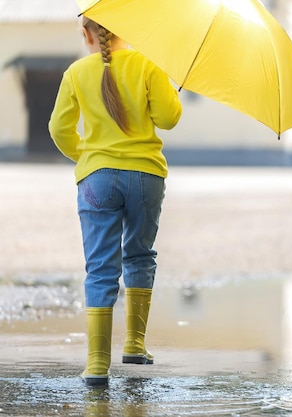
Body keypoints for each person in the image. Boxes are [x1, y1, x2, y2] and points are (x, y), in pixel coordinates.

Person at [49, 16, 182, 386]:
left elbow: (58, 129)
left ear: (87, 34)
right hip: (146, 177)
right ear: (126, 29)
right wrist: (168, 91)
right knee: (139, 254)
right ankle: (136, 345)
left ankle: (95, 364)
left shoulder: (76, 72)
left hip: (97, 179)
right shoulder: (148, 64)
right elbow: (168, 119)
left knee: (100, 268)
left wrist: (87, 158)